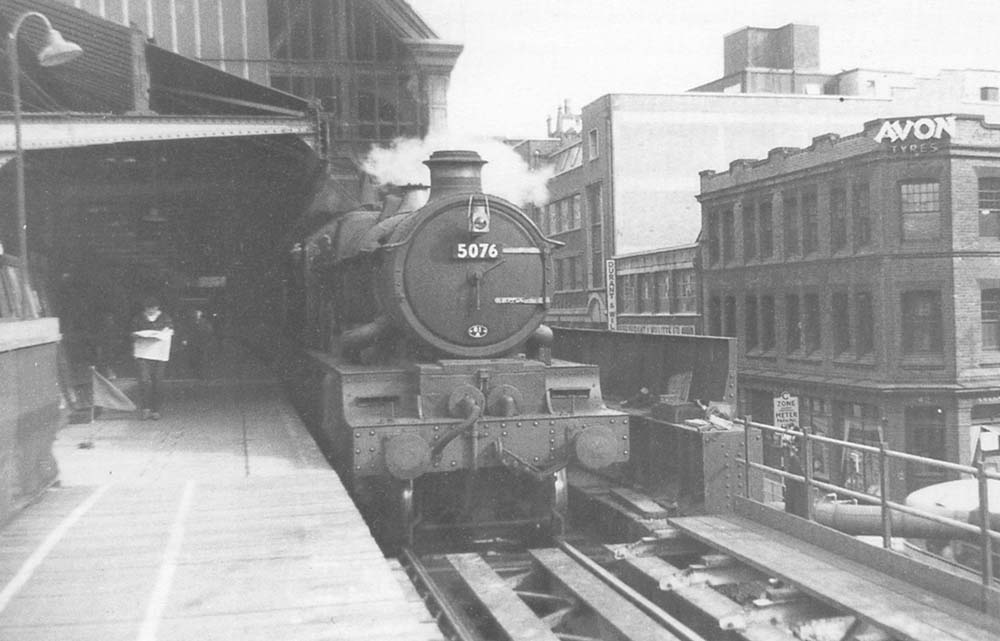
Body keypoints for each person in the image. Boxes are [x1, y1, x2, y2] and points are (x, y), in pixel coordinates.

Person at [131, 297, 174, 420]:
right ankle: (145, 408)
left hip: (159, 353)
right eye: (148, 309)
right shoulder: (138, 318)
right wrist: (137, 335)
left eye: (153, 309)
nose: (150, 311)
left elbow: (170, 330)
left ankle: (156, 410)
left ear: (157, 308)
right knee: (144, 380)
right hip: (143, 353)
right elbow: (132, 332)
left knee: (158, 381)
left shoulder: (165, 318)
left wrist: (164, 333)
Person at [181, 308, 214, 379]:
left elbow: (209, 332)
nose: (197, 314)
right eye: (196, 313)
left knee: (202, 359)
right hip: (193, 342)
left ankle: (202, 374)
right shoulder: (190, 322)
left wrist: (206, 340)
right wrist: (185, 339)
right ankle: (193, 373)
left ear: (201, 314)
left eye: (198, 313)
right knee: (193, 358)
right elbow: (187, 331)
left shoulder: (205, 322)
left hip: (202, 343)